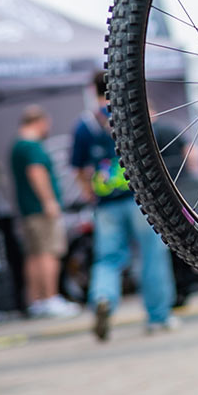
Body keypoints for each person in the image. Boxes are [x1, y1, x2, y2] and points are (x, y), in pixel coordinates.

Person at [73, 69, 176, 339]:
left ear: (92, 90)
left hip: (106, 202)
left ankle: (103, 297)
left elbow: (79, 169)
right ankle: (158, 317)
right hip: (140, 198)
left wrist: (90, 193)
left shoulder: (85, 124)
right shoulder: (131, 113)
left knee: (107, 258)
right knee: (151, 256)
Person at [9, 106, 76, 319]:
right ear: (39, 122)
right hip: (41, 210)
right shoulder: (32, 147)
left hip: (28, 210)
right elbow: (36, 173)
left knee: (33, 255)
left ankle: (36, 301)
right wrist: (49, 201)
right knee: (49, 253)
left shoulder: (17, 146)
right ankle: (50, 298)